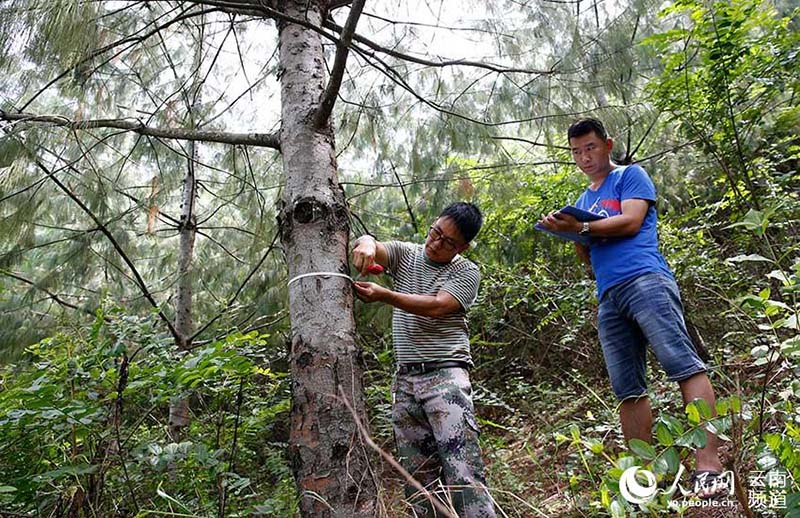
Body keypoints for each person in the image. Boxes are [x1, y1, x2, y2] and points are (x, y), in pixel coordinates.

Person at [538, 118, 726, 496]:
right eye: (576, 152)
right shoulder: (582, 202)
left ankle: (709, 464)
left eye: (590, 148)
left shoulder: (629, 176)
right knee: (627, 387)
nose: (584, 157)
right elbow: (587, 255)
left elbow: (631, 222)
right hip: (609, 296)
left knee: (682, 364)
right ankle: (645, 479)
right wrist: (568, 230)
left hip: (645, 280)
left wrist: (582, 229)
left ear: (608, 145)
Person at [352, 202, 496, 517]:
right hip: (405, 380)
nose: (436, 243)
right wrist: (366, 243)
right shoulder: (408, 254)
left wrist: (385, 296)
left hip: (446, 376)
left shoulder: (466, 272)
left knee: (463, 473)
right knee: (418, 481)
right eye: (435, 232)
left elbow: (437, 305)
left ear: (462, 248)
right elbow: (375, 247)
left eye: (448, 242)